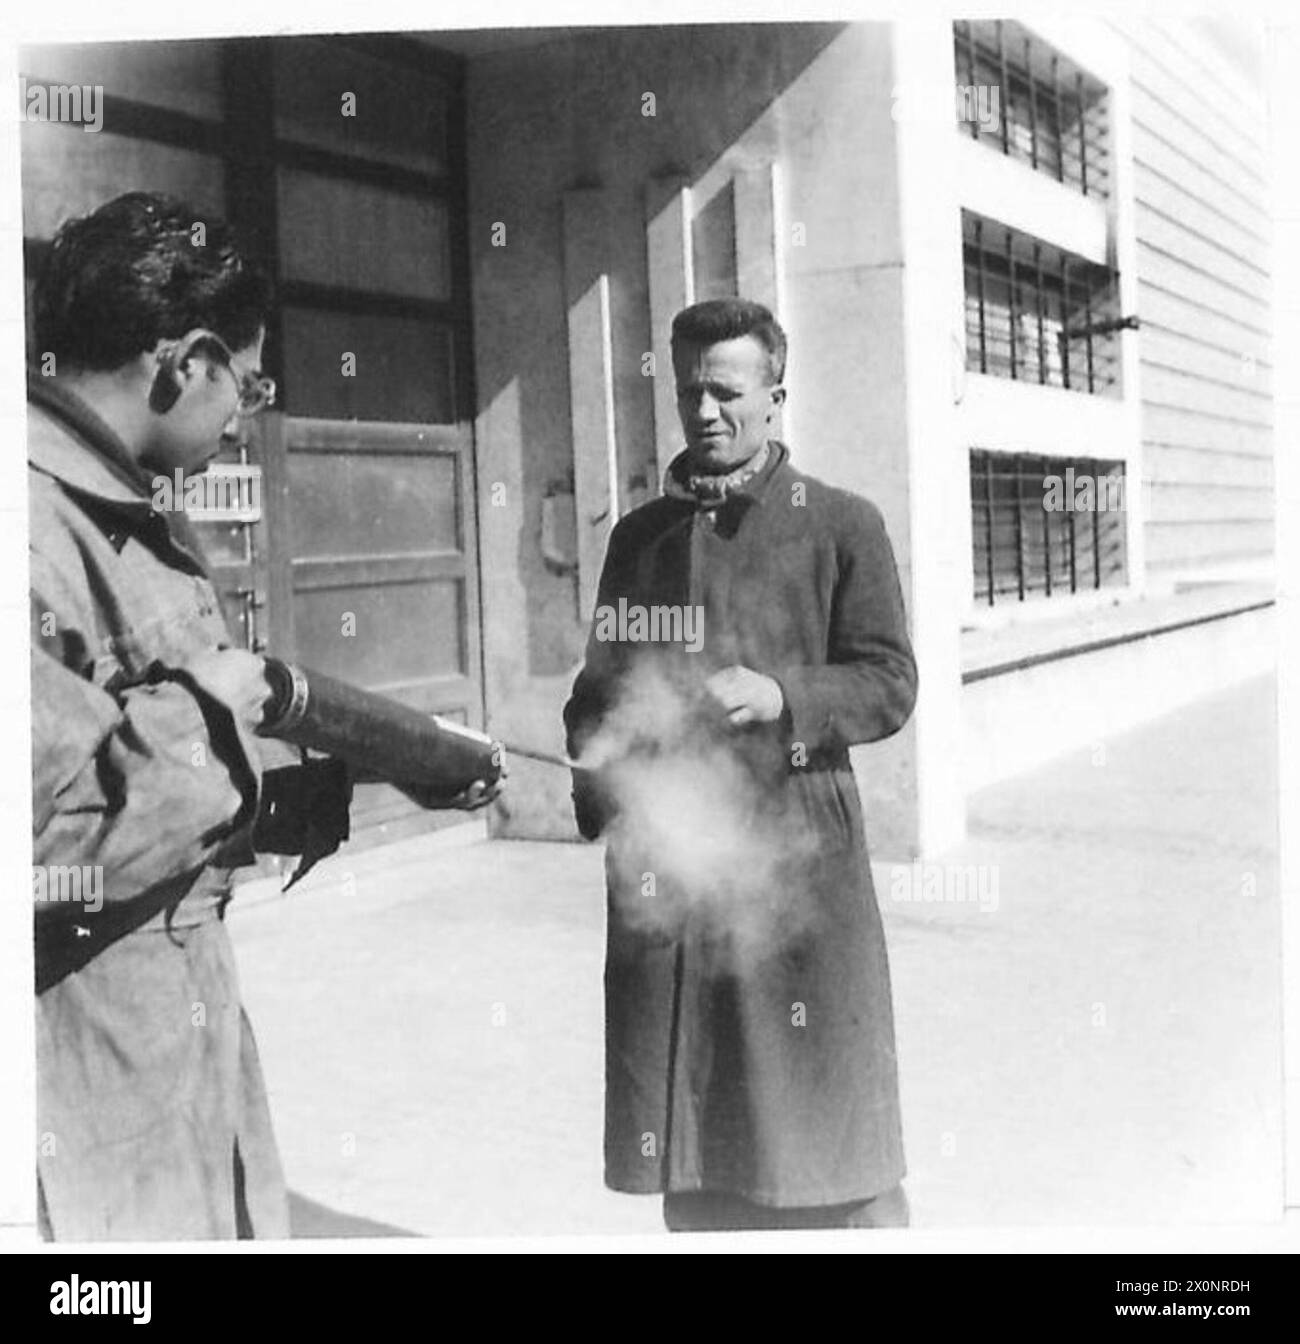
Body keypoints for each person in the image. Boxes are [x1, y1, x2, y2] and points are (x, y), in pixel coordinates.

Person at [28, 192, 354, 1240]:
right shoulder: (31, 532)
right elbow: (39, 856)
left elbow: (121, 763)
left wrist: (287, 795)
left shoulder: (119, 504)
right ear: (189, 359)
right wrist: (216, 711)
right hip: (87, 1057)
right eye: (247, 385)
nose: (244, 414)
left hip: (174, 1024)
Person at [563, 297, 918, 1231]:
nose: (706, 411)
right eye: (690, 392)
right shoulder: (637, 540)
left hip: (797, 854)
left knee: (822, 1127)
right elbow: (595, 692)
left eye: (727, 391)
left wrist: (786, 696)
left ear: (776, 396)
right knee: (695, 1119)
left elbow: (888, 681)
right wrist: (600, 763)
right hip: (673, 870)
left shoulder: (841, 524)